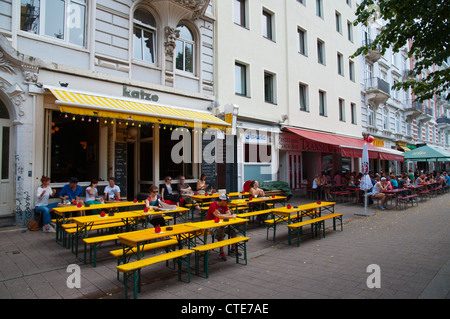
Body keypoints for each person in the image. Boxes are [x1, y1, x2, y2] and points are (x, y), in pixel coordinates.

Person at [206, 193, 238, 261]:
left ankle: (233, 249)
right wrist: (226, 216)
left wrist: (222, 215)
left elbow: (228, 213)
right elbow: (219, 216)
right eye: (226, 202)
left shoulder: (225, 205)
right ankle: (221, 252)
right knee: (221, 233)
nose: (227, 204)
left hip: (222, 224)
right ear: (223, 201)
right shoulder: (213, 205)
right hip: (211, 225)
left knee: (234, 231)